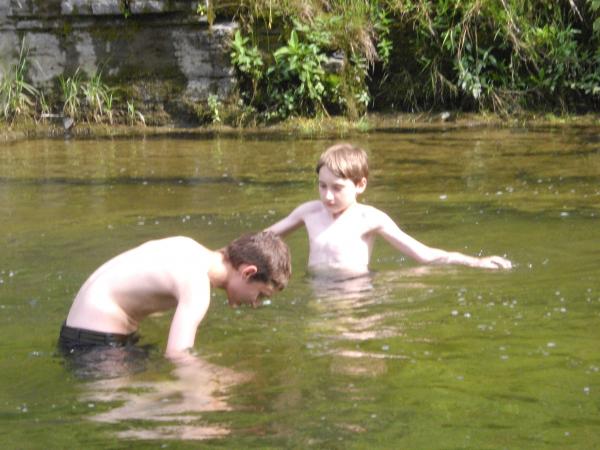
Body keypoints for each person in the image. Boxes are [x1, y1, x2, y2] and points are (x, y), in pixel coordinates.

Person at [266, 143, 511, 277]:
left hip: (356, 292)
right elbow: (263, 239)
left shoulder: (368, 218)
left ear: (360, 184)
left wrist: (475, 262)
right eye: (322, 186)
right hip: (317, 288)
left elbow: (423, 254)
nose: (328, 195)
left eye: (337, 188)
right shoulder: (309, 212)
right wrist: (229, 255)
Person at [58, 232, 291, 359]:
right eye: (260, 295)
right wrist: (227, 379)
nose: (254, 304)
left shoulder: (187, 246)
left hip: (80, 332)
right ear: (247, 272)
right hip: (95, 346)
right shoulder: (197, 283)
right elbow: (178, 357)